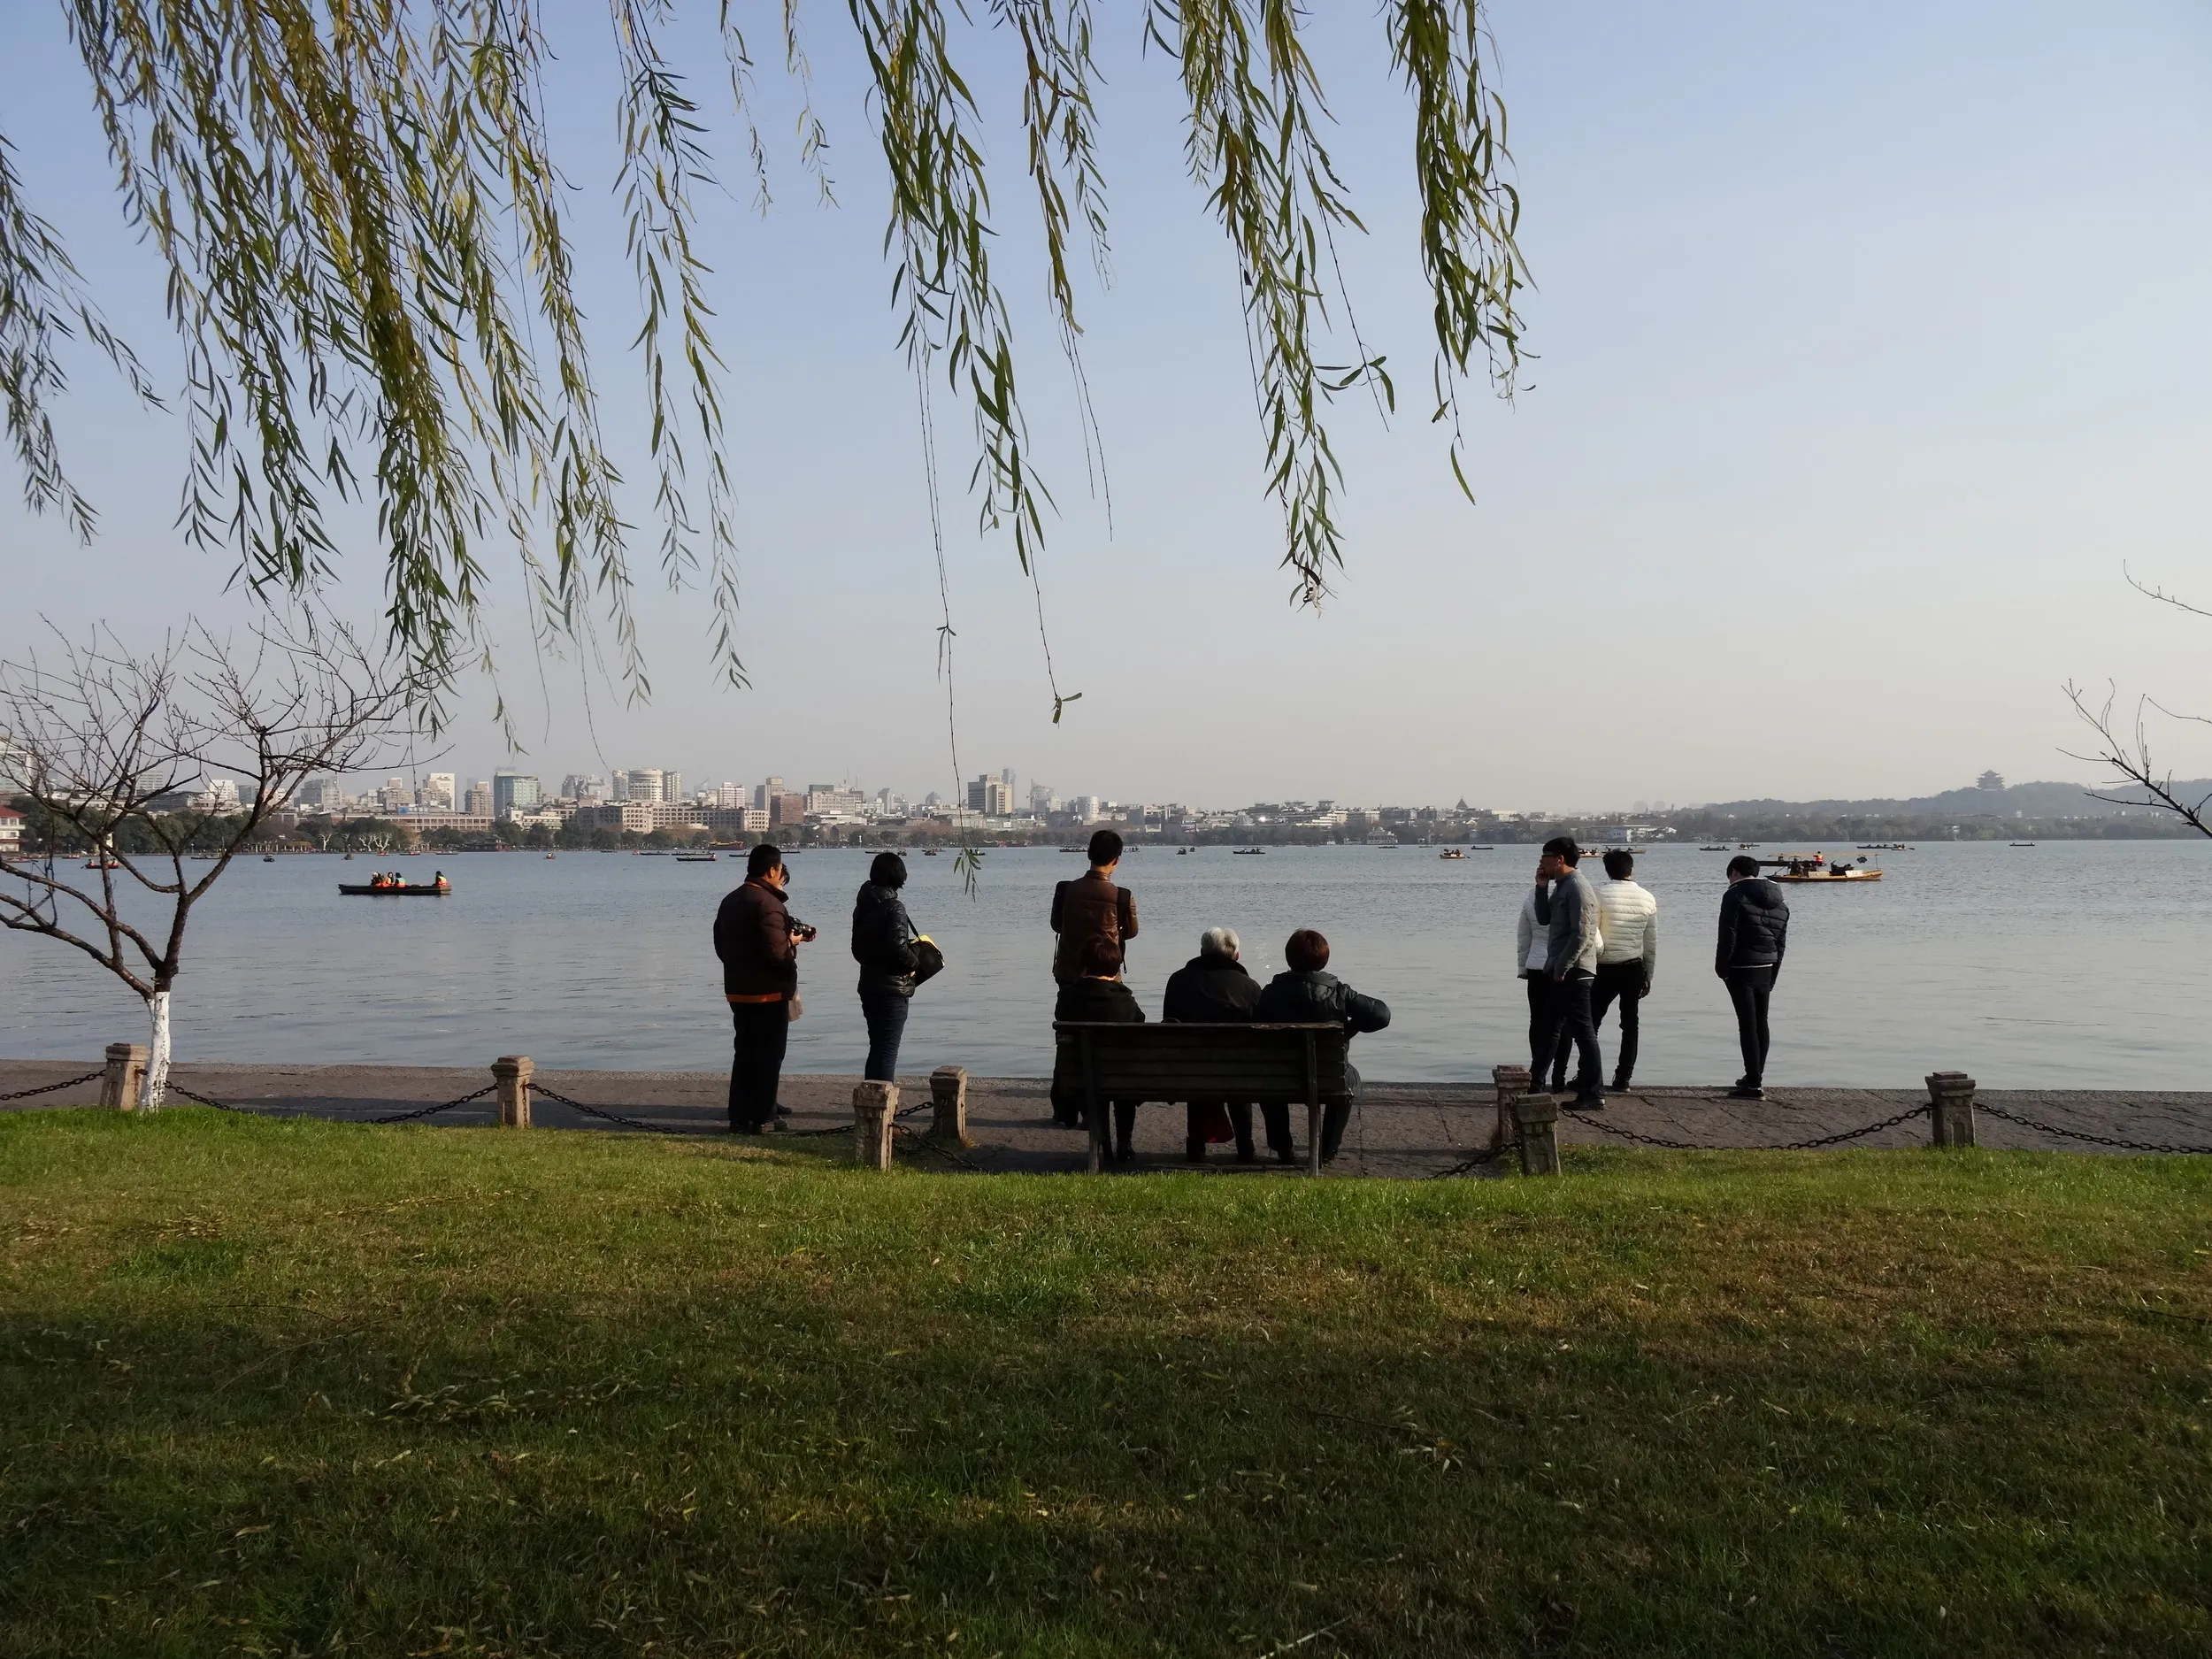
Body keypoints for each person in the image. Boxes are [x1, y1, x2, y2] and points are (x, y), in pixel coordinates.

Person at [1254, 929, 1391, 1164]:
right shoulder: (1339, 993)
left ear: (1289, 958)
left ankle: (1283, 1148)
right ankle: (1327, 1151)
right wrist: (1351, 1028)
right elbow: (1381, 1015)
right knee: (1348, 1079)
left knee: (1271, 1079)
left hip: (1282, 1077)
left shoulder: (1271, 993)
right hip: (1328, 1075)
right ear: (1324, 960)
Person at [713, 843, 816, 1133]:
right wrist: (791, 948)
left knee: (745, 1054)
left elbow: (721, 945)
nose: (780, 873)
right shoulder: (769, 904)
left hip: (738, 989)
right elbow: (776, 953)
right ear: (772, 870)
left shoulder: (731, 900)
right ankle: (763, 1117)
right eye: (779, 869)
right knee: (769, 1055)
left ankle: (739, 1116)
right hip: (768, 992)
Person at [1161, 926, 1263, 1164]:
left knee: (1195, 1064)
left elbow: (1169, 1027)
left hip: (1190, 1071)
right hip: (1238, 1073)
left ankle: (1196, 1147)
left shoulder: (1178, 981)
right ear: (1236, 956)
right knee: (1238, 1070)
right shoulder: (1250, 988)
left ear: (1201, 952)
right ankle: (1245, 1147)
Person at [1052, 935, 1146, 1164]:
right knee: (1123, 1081)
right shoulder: (1126, 1002)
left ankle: (1102, 1144)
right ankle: (1124, 1142)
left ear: (1083, 966)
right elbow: (1140, 1025)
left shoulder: (1068, 998)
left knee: (1096, 1081)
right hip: (1121, 1078)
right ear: (1115, 968)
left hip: (1080, 1077)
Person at [1531, 836, 1606, 1108]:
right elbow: (1544, 919)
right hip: (1559, 968)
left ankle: (1593, 1093)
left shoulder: (1578, 888)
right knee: (1549, 1029)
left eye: (1544, 856)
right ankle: (1535, 1084)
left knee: (1584, 1033)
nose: (1541, 861)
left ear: (1559, 859)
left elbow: (1582, 935)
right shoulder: (1561, 886)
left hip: (1575, 970)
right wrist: (1541, 888)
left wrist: (1563, 967)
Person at [1716, 854, 1789, 1100]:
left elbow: (1728, 934)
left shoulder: (1734, 895)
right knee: (1761, 1022)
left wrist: (1721, 968)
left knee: (1746, 1024)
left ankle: (1754, 1085)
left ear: (1734, 872)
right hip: (1767, 965)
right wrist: (1774, 972)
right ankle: (1755, 1076)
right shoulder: (1779, 900)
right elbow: (1781, 941)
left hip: (1741, 966)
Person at [850, 851, 921, 1083]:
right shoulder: (894, 907)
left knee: (878, 1048)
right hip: (892, 989)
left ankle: (872, 1099)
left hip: (869, 985)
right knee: (887, 1050)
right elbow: (898, 947)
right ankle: (882, 1100)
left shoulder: (862, 906)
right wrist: (915, 964)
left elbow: (857, 949)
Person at [1591, 849, 1658, 1091]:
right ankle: (1623, 1078)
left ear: (1607, 870)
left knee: (1591, 1023)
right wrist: (1648, 975)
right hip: (1633, 967)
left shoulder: (1598, 894)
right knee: (1630, 1024)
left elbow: (1592, 930)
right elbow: (1650, 942)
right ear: (1631, 869)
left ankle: (1588, 1075)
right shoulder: (1647, 898)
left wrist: (1599, 953)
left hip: (1604, 967)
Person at [1050, 828, 1138, 987]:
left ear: (1089, 854)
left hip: (1068, 974)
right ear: (1116, 860)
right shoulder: (1123, 896)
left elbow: (1057, 925)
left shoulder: (1065, 890)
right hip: (1106, 974)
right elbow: (1131, 932)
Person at [1515, 884, 1567, 1094]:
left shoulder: (1531, 899)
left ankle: (1537, 1074)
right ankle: (1559, 1078)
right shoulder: (1571, 895)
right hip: (1563, 966)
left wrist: (1522, 967)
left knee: (1537, 1021)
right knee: (1561, 1025)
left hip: (1536, 967)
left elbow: (1524, 936)